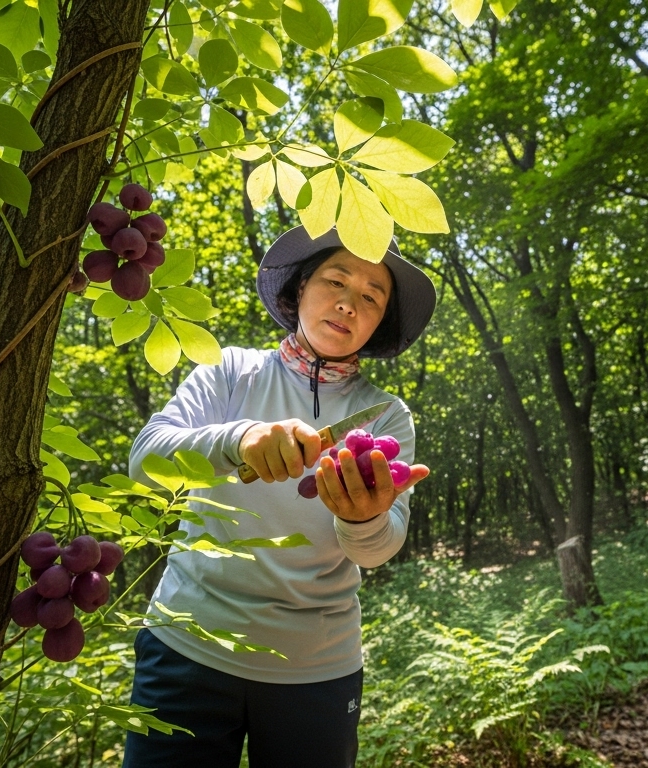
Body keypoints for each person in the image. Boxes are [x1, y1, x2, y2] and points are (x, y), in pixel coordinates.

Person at [121, 225, 436, 768]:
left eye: (370, 297)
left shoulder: (386, 416)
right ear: (299, 289)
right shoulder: (229, 373)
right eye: (335, 281)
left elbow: (375, 551)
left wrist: (361, 522)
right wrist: (237, 438)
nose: (347, 303)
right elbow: (145, 460)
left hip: (317, 668)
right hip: (186, 646)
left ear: (380, 320)